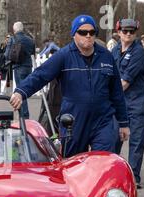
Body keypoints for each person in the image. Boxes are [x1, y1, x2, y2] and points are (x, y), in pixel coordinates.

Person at [10, 15, 130, 158]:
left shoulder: (106, 56)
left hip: (103, 120)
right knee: (73, 165)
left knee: (103, 162)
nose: (88, 36)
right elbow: (40, 75)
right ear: (74, 34)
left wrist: (123, 123)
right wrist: (20, 92)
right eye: (83, 32)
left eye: (92, 32)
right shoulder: (64, 56)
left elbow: (116, 92)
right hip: (73, 122)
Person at [113, 19, 144, 190]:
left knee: (136, 141)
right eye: (125, 31)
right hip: (119, 105)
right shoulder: (114, 50)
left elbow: (124, 82)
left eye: (132, 31)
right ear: (119, 32)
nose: (128, 34)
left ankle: (134, 177)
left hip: (136, 103)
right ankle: (110, 176)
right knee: (112, 140)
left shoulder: (139, 53)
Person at [5, 21, 36, 119]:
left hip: (18, 67)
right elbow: (33, 53)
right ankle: (23, 115)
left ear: (14, 30)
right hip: (28, 67)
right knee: (25, 91)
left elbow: (7, 55)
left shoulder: (12, 39)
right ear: (22, 29)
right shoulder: (30, 40)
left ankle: (24, 116)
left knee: (20, 92)